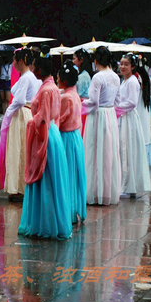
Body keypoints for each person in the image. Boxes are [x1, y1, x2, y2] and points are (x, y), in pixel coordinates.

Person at [18, 49, 71, 239]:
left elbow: (43, 118)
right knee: (49, 178)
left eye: (34, 67)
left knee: (46, 179)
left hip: (45, 134)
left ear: (40, 70)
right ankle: (45, 221)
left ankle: (46, 223)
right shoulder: (51, 87)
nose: (32, 69)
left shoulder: (48, 89)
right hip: (51, 133)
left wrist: (32, 122)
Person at [0, 48, 40, 200]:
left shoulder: (26, 78)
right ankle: (22, 185)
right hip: (26, 112)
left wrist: (8, 111)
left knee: (18, 149)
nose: (13, 64)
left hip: (21, 113)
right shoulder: (29, 76)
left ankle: (18, 187)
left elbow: (19, 100)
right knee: (22, 148)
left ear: (21, 61)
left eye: (14, 61)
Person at [82, 46, 121, 206]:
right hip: (110, 114)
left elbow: (93, 101)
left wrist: (80, 105)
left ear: (96, 61)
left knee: (95, 152)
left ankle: (95, 192)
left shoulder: (97, 77)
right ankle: (108, 192)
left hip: (98, 116)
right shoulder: (116, 76)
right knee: (108, 154)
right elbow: (118, 100)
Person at [115, 53, 151, 198]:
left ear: (133, 67)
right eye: (121, 63)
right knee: (124, 151)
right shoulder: (124, 81)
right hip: (124, 118)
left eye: (126, 64)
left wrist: (115, 110)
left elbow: (131, 102)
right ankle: (125, 184)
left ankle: (129, 185)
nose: (123, 66)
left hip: (128, 119)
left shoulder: (132, 81)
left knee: (128, 150)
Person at [56, 61, 86, 224]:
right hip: (75, 136)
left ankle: (67, 210)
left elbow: (60, 119)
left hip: (66, 137)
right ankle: (73, 208)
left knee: (66, 173)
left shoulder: (66, 97)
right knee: (74, 173)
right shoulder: (74, 94)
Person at [134, 56, 151, 167]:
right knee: (144, 134)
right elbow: (150, 94)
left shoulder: (136, 78)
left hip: (137, 110)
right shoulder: (146, 77)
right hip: (145, 109)